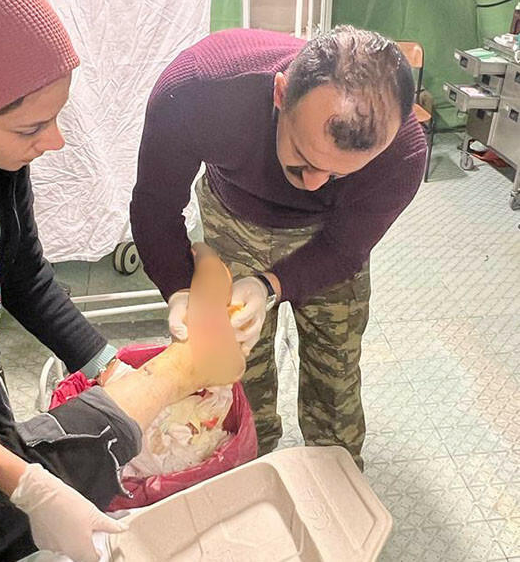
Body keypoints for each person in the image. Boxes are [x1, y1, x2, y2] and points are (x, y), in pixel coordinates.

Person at [0, 0, 245, 562]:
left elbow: (23, 274)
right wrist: (26, 485)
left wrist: (107, 365)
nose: (54, 142)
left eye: (57, 117)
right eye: (32, 127)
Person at [131, 25, 428, 469]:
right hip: (233, 215)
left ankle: (332, 474)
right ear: (280, 93)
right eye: (303, 159)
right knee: (234, 369)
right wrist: (179, 290)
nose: (314, 184)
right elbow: (155, 205)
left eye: (339, 174)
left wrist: (269, 285)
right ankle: (249, 462)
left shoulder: (403, 153)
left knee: (335, 369)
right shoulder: (199, 89)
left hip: (325, 236)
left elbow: (344, 249)